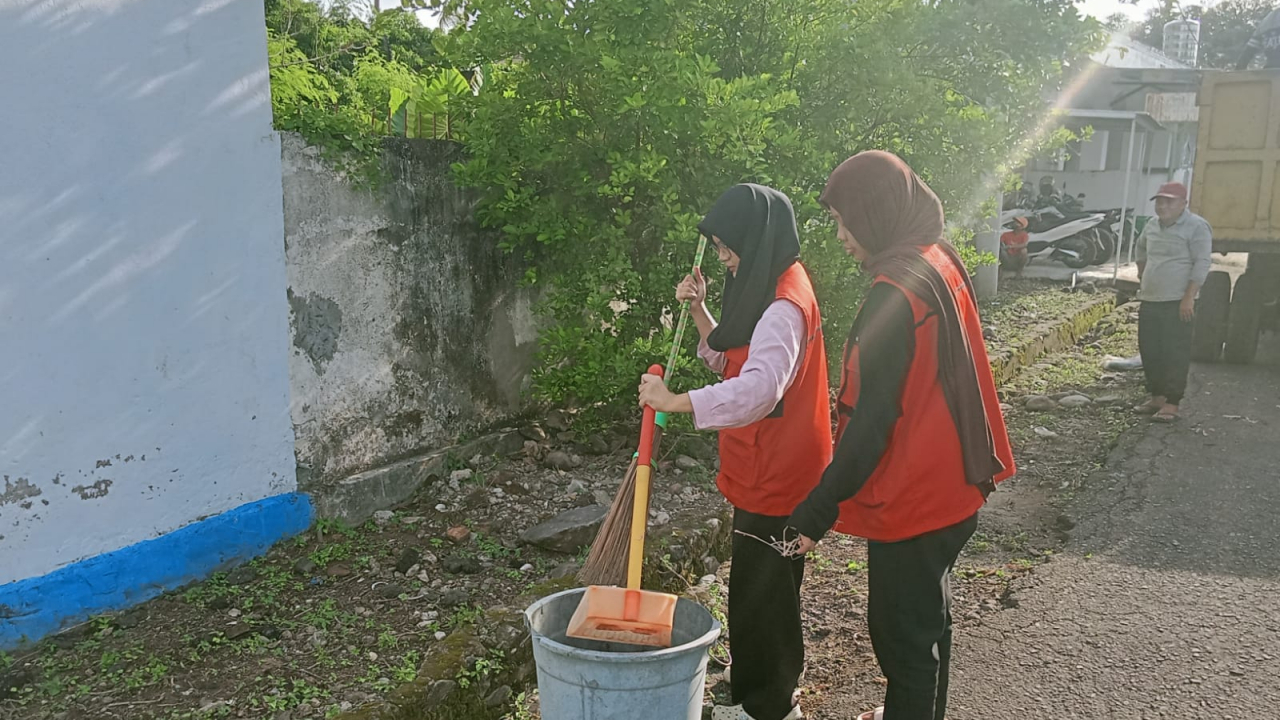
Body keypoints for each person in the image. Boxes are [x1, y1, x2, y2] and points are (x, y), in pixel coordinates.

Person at [784, 151, 1016, 720]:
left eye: (846, 221)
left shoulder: (895, 295)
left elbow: (871, 421)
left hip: (917, 497)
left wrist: (815, 510)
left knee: (903, 644)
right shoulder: (936, 259)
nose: (841, 236)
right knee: (929, 626)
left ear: (878, 212)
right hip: (957, 480)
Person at [637, 183, 831, 720]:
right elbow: (732, 359)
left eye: (727, 247)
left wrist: (673, 402)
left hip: (781, 473)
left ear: (755, 238)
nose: (722, 259)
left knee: (766, 592)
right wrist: (700, 310)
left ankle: (770, 706)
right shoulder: (765, 288)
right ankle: (751, 683)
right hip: (762, 467)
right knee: (753, 582)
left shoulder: (785, 305)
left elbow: (758, 389)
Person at [1134, 182, 1212, 423]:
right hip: (1150, 298)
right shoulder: (1152, 225)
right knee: (1150, 349)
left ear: (1183, 204)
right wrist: (1143, 274)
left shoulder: (1196, 227)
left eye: (1169, 201)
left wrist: (1188, 297)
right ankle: (1156, 396)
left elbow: (1202, 263)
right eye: (1159, 201)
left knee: (1174, 352)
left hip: (1178, 302)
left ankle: (1172, 402)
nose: (1162, 206)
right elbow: (1141, 249)